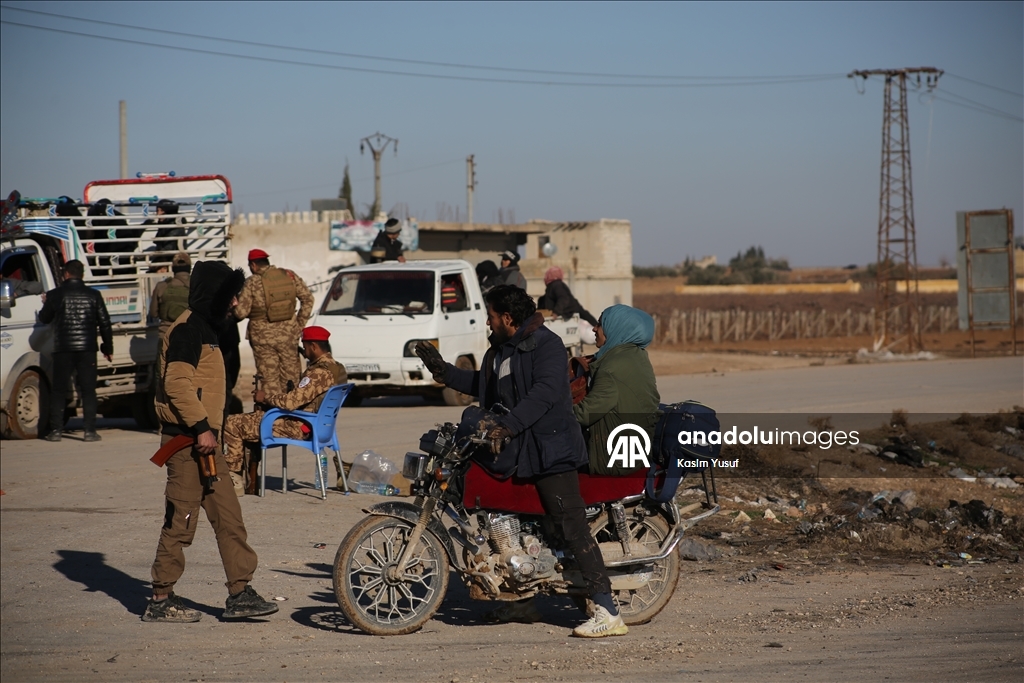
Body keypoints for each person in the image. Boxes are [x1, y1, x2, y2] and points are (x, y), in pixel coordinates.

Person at [415, 284, 628, 638]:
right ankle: (523, 599)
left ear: (508, 319)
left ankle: (607, 609)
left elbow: (545, 392)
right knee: (514, 519)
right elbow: (484, 386)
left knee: (570, 526)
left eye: (492, 315)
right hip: (519, 451)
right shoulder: (500, 350)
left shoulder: (546, 345)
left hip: (551, 451)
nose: (488, 320)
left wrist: (508, 426)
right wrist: (444, 372)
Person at [145, 259, 278, 623]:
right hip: (188, 442)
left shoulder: (207, 327)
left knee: (229, 519)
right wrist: (202, 426)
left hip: (207, 444)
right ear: (214, 295)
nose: (235, 304)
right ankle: (160, 598)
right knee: (181, 521)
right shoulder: (187, 330)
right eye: (231, 297)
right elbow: (176, 384)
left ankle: (240, 593)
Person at [221, 326, 347, 495]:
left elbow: (290, 403)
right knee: (252, 419)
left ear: (314, 346)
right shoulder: (338, 368)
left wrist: (264, 398)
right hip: (321, 426)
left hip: (300, 426)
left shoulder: (318, 373)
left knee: (232, 422)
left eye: (306, 345)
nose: (305, 350)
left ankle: (233, 478)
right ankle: (246, 474)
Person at [573, 305, 660, 475]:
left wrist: (553, 416)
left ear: (615, 327)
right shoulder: (637, 355)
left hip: (614, 460)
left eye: (600, 324)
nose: (594, 328)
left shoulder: (611, 367)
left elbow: (584, 414)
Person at [39, 260, 113, 442]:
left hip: (63, 348)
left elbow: (44, 318)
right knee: (88, 390)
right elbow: (104, 323)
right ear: (82, 274)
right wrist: (107, 348)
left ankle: (56, 431)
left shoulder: (55, 295)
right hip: (87, 349)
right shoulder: (94, 295)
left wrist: (46, 302)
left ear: (65, 274)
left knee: (58, 390)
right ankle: (89, 431)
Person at [233, 248, 314, 396]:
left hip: (262, 338)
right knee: (291, 377)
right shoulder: (289, 275)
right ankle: (292, 412)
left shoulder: (252, 282)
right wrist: (299, 326)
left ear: (253, 265)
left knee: (269, 379)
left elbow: (240, 313)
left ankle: (273, 415)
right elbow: (308, 299)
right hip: (288, 335)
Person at [150, 252, 192, 339]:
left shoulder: (161, 286)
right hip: (190, 336)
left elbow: (153, 313)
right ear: (189, 268)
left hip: (166, 335)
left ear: (173, 268)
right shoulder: (197, 286)